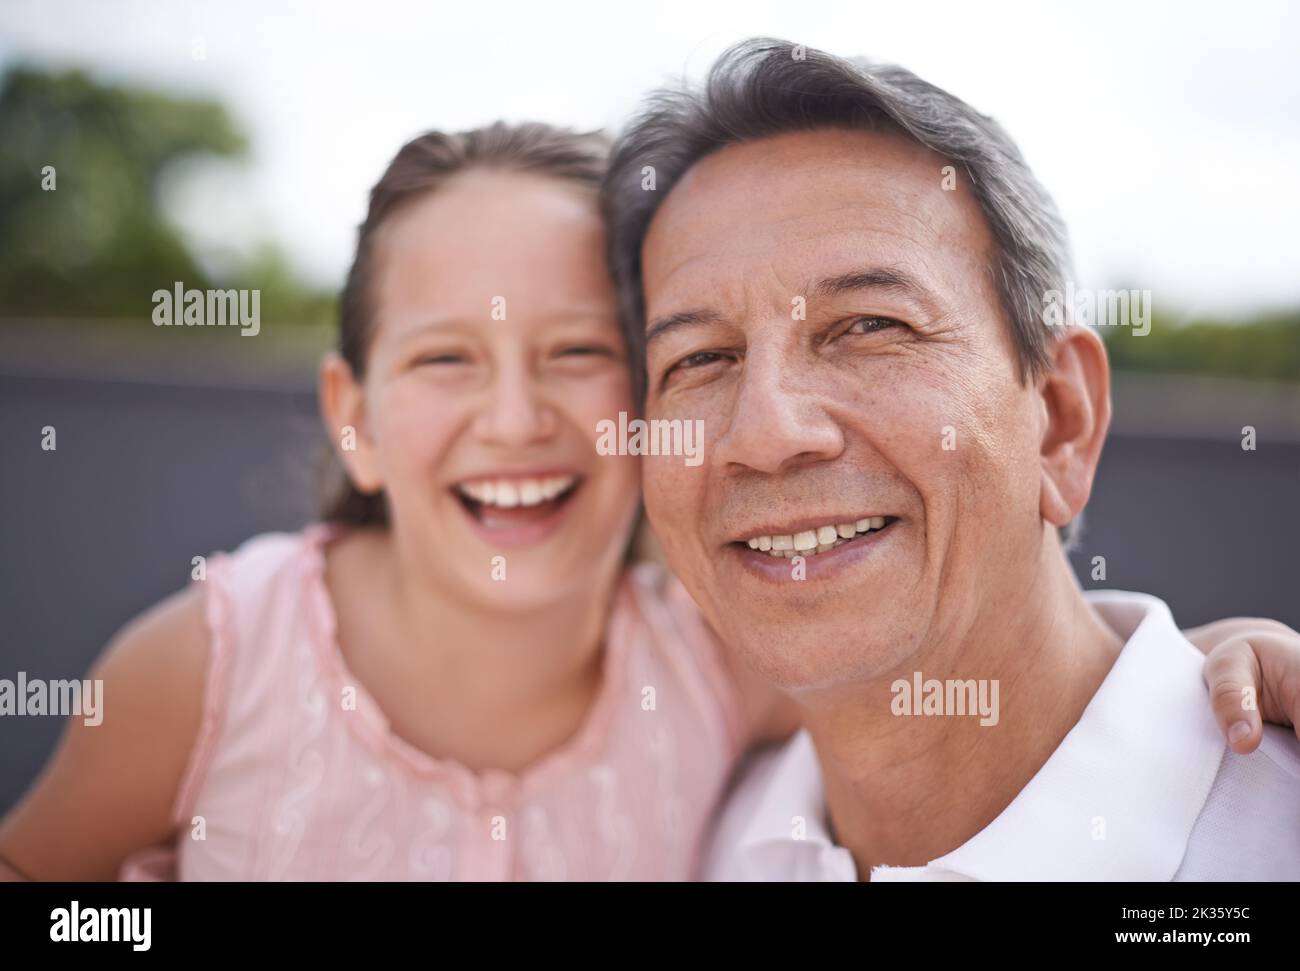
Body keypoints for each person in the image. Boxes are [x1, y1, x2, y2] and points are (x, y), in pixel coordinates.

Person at [1, 119, 1295, 883]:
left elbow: (981, 658)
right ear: (355, 415)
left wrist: (1207, 661)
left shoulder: (714, 660)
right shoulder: (216, 658)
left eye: (583, 355)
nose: (516, 417)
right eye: (446, 355)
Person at [600, 38, 1300, 880]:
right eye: (700, 359)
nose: (767, 431)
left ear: (1061, 421)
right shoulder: (690, 842)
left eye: (870, 326)